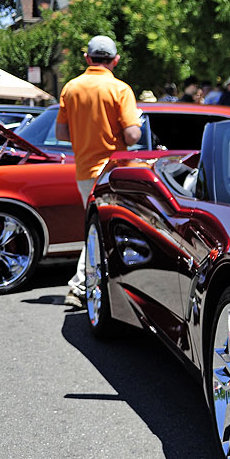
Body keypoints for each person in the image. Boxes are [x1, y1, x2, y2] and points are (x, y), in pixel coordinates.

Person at [55, 35, 142, 309]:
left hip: (84, 170)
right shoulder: (120, 89)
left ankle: (84, 286)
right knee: (101, 232)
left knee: (97, 229)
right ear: (115, 60)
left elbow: (60, 132)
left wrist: (85, 138)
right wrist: (136, 125)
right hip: (112, 172)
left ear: (87, 58)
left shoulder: (71, 88)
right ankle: (80, 286)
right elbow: (131, 135)